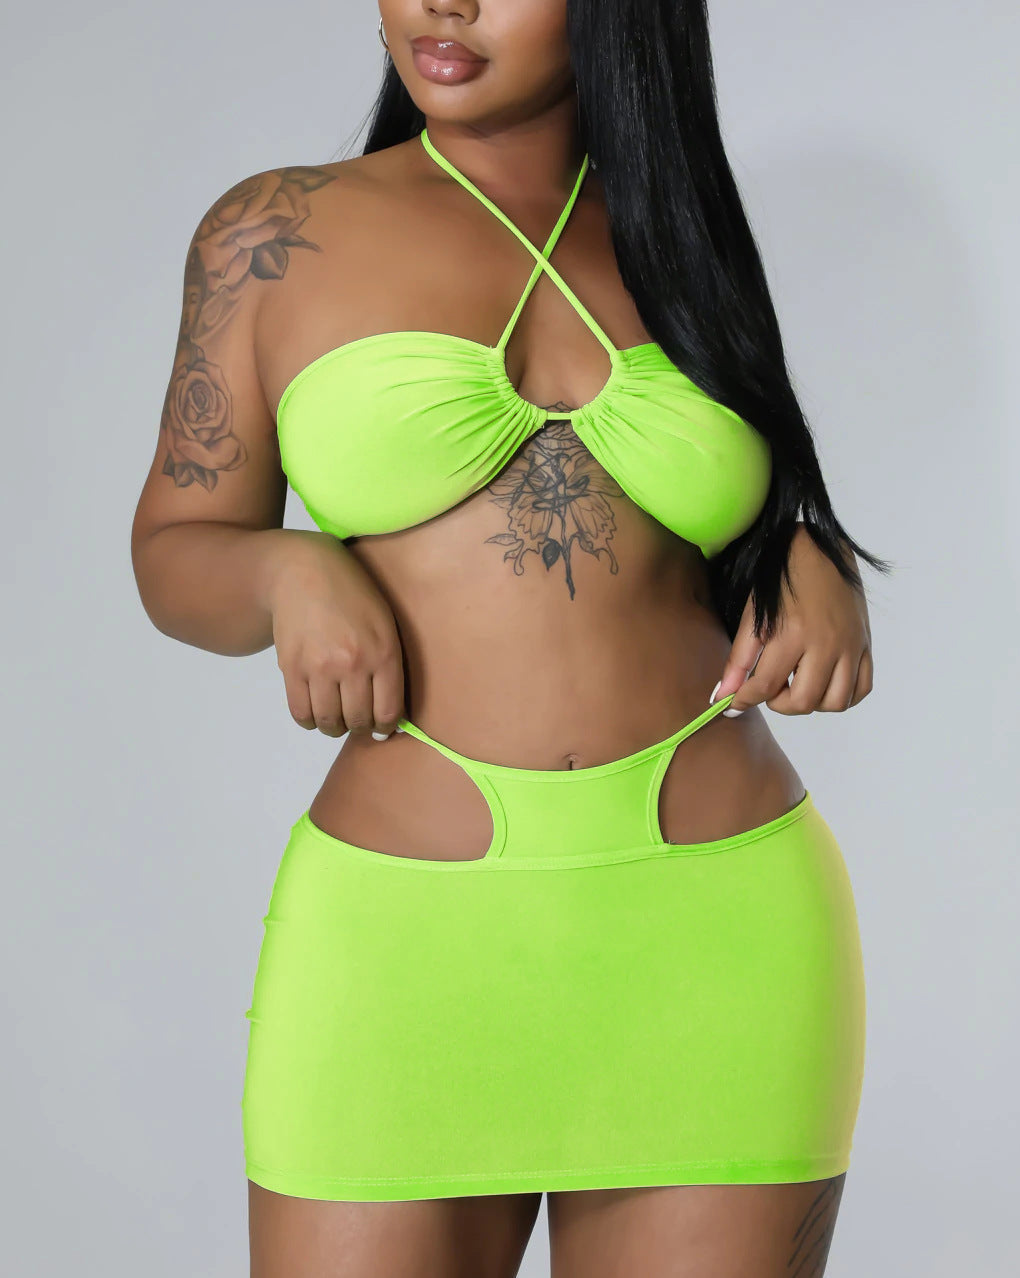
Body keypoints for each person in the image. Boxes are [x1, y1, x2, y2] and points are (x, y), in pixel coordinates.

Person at [131, 1, 891, 1274]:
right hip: (398, 942)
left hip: (719, 930)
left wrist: (808, 556)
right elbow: (174, 549)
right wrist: (284, 569)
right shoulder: (272, 234)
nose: (445, 1)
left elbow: (722, 518)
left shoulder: (677, 229)